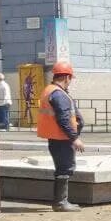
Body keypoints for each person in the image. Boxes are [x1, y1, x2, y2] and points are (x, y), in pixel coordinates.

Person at [35, 61, 85, 212]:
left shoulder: (52, 90)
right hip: (61, 138)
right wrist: (74, 138)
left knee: (63, 167)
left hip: (58, 137)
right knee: (64, 168)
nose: (70, 82)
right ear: (67, 77)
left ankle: (61, 202)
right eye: (70, 79)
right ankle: (60, 203)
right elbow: (63, 118)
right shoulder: (57, 93)